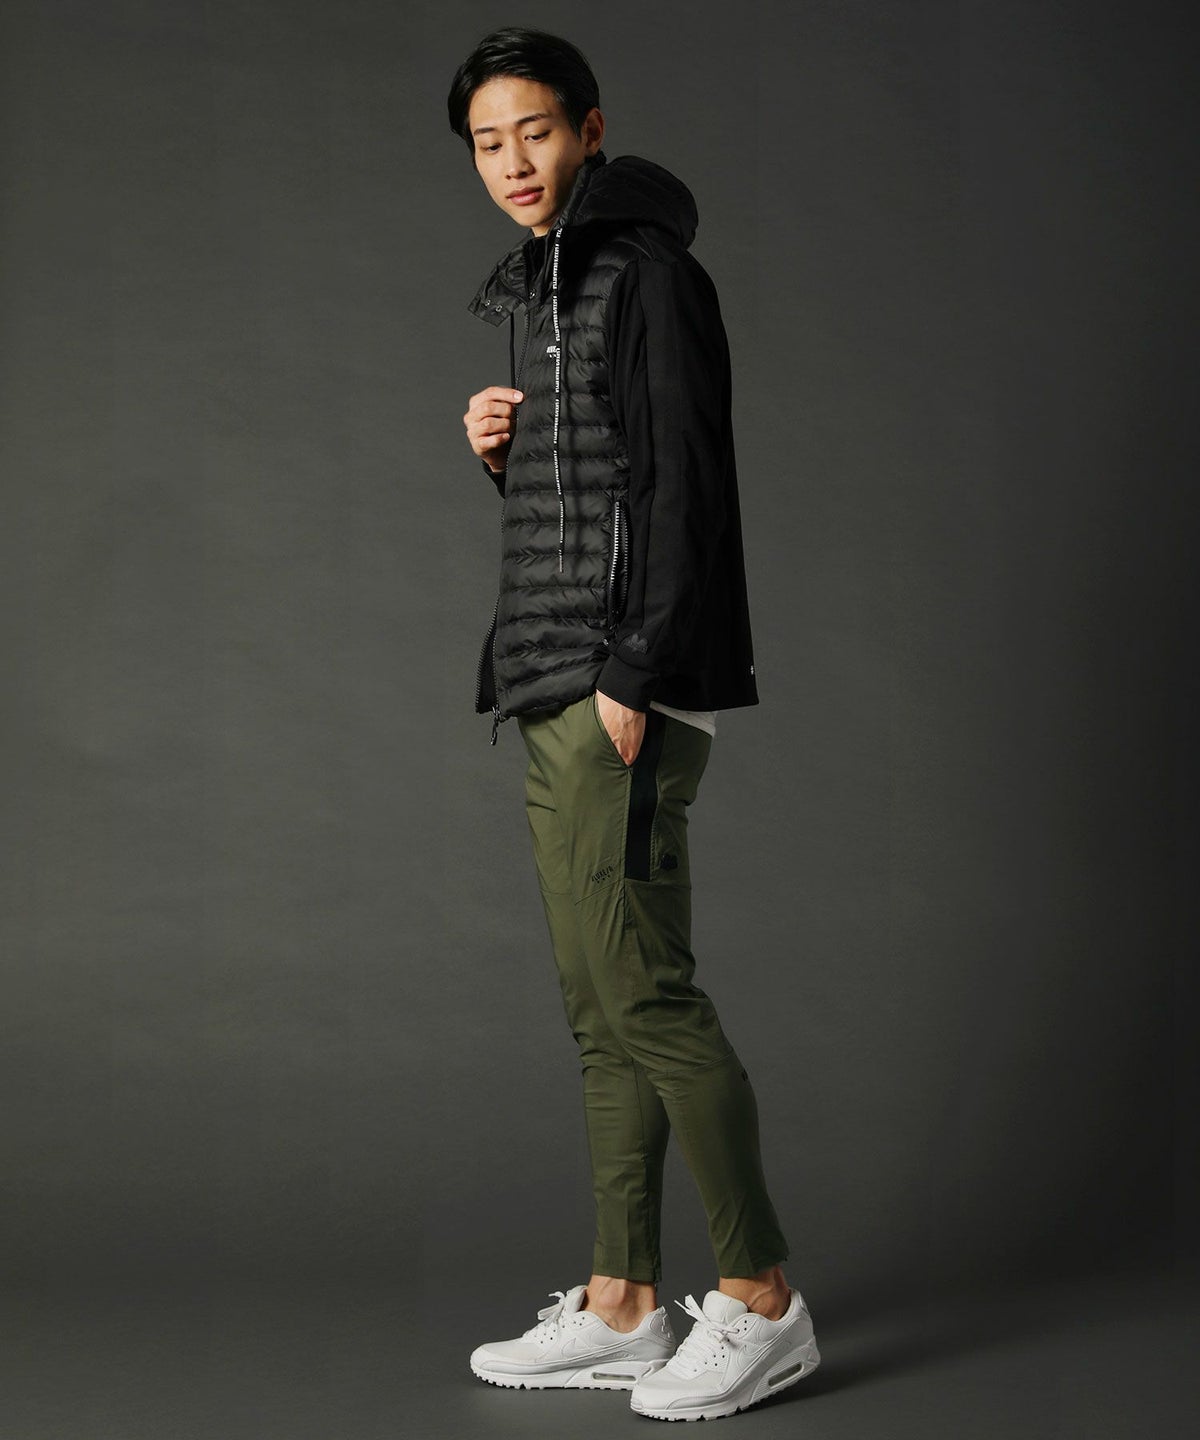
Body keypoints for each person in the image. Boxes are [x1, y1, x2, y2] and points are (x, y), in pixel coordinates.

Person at [448, 27, 820, 1422]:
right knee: (600, 1010)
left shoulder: (647, 269)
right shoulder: (548, 284)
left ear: (591, 129)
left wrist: (636, 671)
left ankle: (764, 1302)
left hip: (617, 685)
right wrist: (509, 455)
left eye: (535, 132)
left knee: (650, 1000)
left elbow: (684, 483)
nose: (513, 163)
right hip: (551, 679)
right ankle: (621, 1304)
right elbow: (597, 492)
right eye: (487, 143)